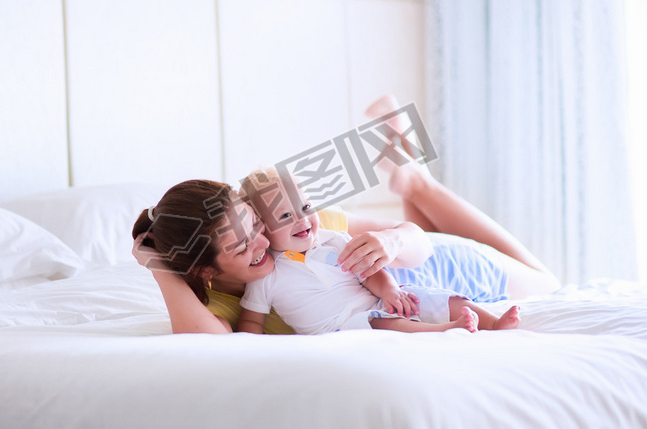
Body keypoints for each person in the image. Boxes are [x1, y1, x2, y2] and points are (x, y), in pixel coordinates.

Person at [131, 99, 560, 335]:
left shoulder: (305, 228)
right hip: (406, 296)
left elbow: (416, 241)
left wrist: (391, 242)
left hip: (432, 267)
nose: (262, 241)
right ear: (204, 268)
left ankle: (416, 186)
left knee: (549, 284)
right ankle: (411, 181)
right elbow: (210, 345)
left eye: (256, 224)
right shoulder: (219, 303)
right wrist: (159, 267)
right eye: (242, 247)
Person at [236, 168, 521, 335]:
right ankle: (444, 331)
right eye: (284, 217)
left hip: (381, 298)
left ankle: (493, 323)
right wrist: (250, 346)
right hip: (345, 327)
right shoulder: (267, 274)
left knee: (428, 297)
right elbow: (251, 319)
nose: (301, 219)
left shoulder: (332, 239)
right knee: (385, 323)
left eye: (307, 208)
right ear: (261, 228)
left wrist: (390, 291)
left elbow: (370, 273)